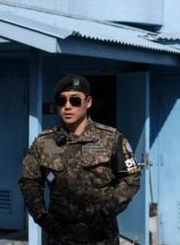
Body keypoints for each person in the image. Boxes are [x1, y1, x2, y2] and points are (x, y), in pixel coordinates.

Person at [19, 74, 141, 245]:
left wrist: (107, 211)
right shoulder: (45, 142)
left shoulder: (111, 139)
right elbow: (29, 180)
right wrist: (40, 215)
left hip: (100, 237)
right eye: (61, 101)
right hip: (60, 237)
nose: (67, 107)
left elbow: (131, 177)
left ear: (88, 102)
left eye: (75, 101)